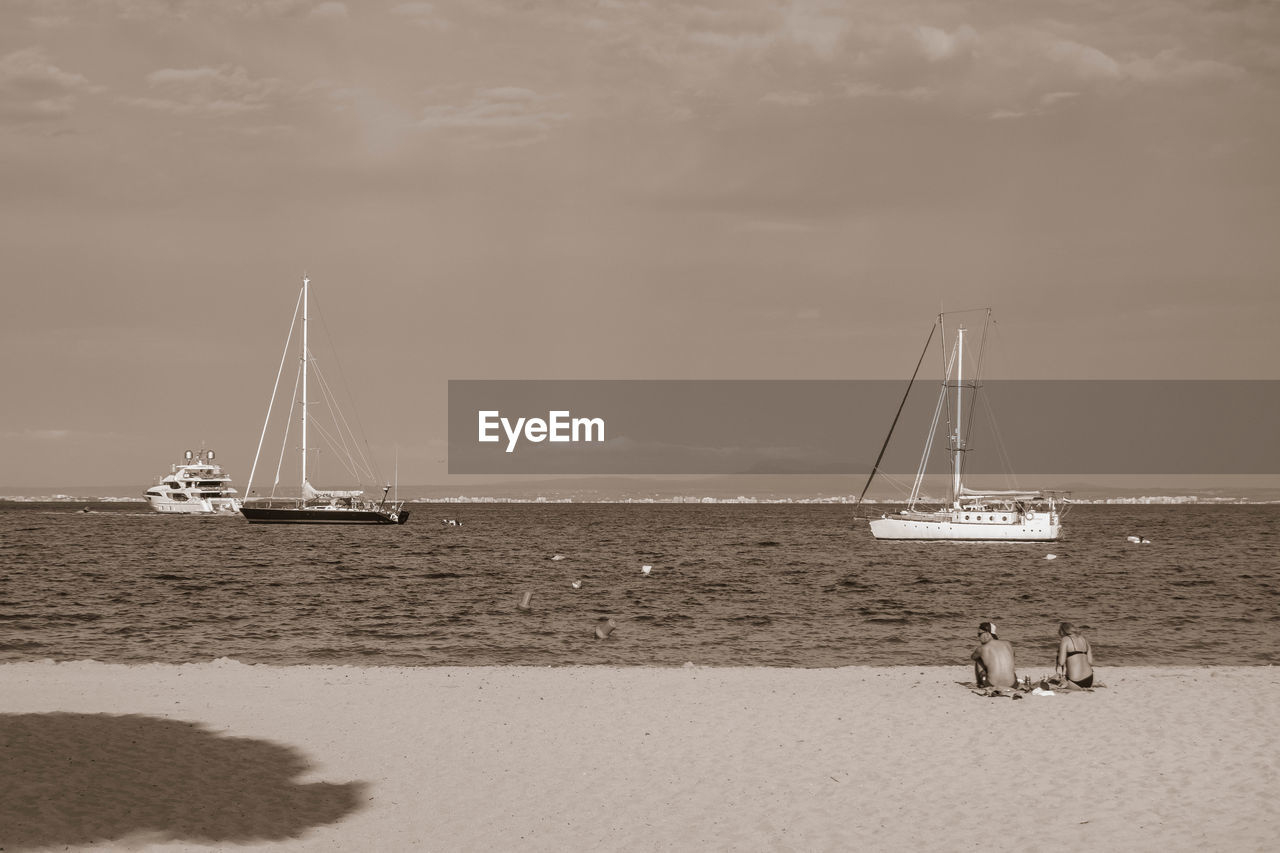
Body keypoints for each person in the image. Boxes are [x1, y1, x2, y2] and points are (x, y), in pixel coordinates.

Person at [971, 621, 1018, 688]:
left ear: (987, 634)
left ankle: (980, 684)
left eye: (979, 634)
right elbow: (1013, 657)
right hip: (1013, 684)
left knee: (978, 659)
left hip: (991, 684)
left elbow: (973, 657)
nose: (978, 637)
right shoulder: (1008, 644)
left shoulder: (982, 648)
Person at [1056, 622, 1094, 688]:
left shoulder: (1065, 639)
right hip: (1089, 680)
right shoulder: (1084, 640)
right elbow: (1090, 662)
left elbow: (1061, 662)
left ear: (1062, 631)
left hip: (1076, 681)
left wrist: (1058, 654)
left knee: (1054, 682)